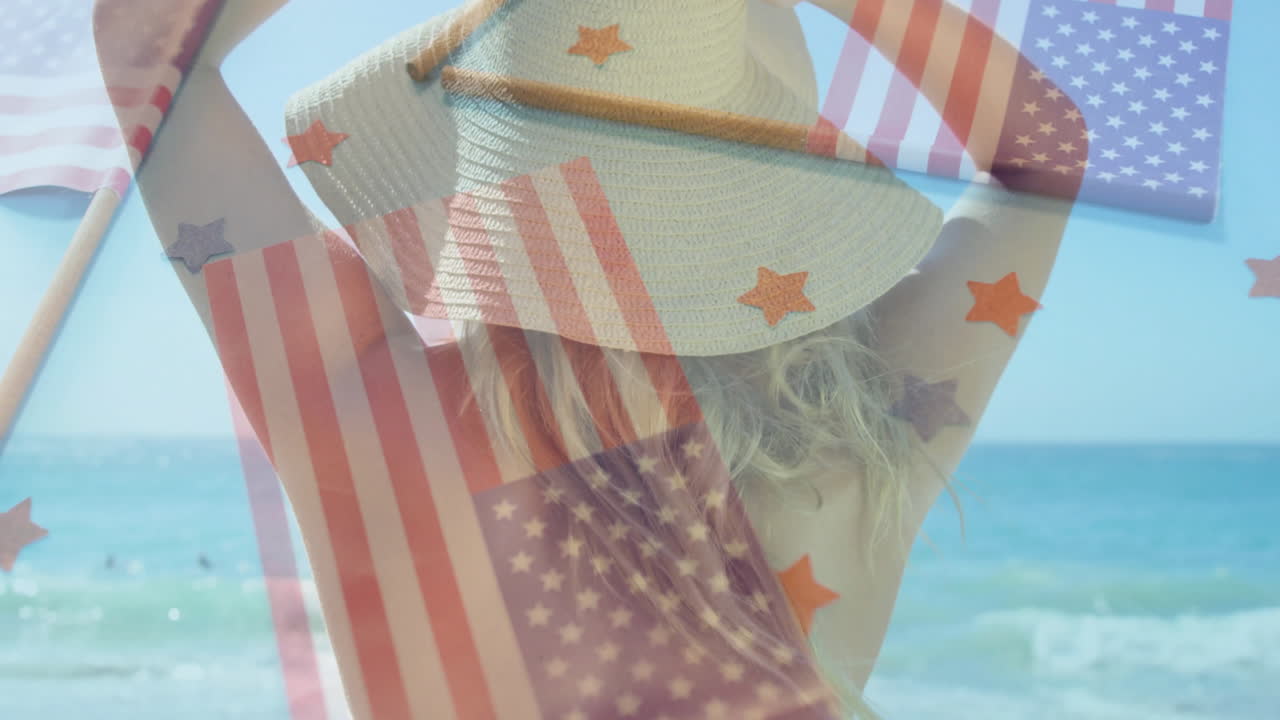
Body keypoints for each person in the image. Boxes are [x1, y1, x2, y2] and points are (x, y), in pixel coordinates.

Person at [108, 0, 1080, 717]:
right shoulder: (858, 433)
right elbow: (1044, 155)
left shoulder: (372, 404)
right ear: (785, 180)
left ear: (482, 173)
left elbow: (144, 42)